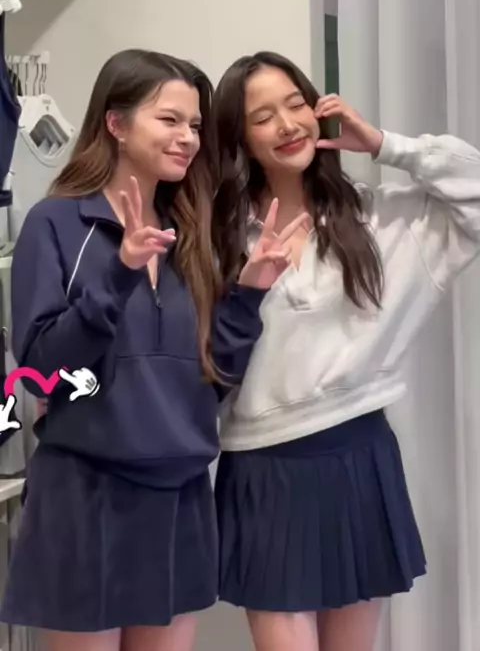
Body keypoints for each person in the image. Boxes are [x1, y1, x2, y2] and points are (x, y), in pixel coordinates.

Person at [0, 49, 306, 651]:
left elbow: (213, 378)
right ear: (115, 123)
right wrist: (117, 275)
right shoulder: (55, 224)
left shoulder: (193, 232)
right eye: (169, 120)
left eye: (194, 124)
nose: (188, 137)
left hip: (181, 494)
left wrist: (248, 295)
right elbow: (40, 371)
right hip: (85, 495)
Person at [212, 50, 480, 651]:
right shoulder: (219, 234)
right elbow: (206, 364)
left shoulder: (381, 219)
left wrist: (387, 145)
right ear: (240, 137)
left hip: (359, 456)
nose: (288, 124)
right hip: (263, 467)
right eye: (263, 117)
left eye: (296, 104)